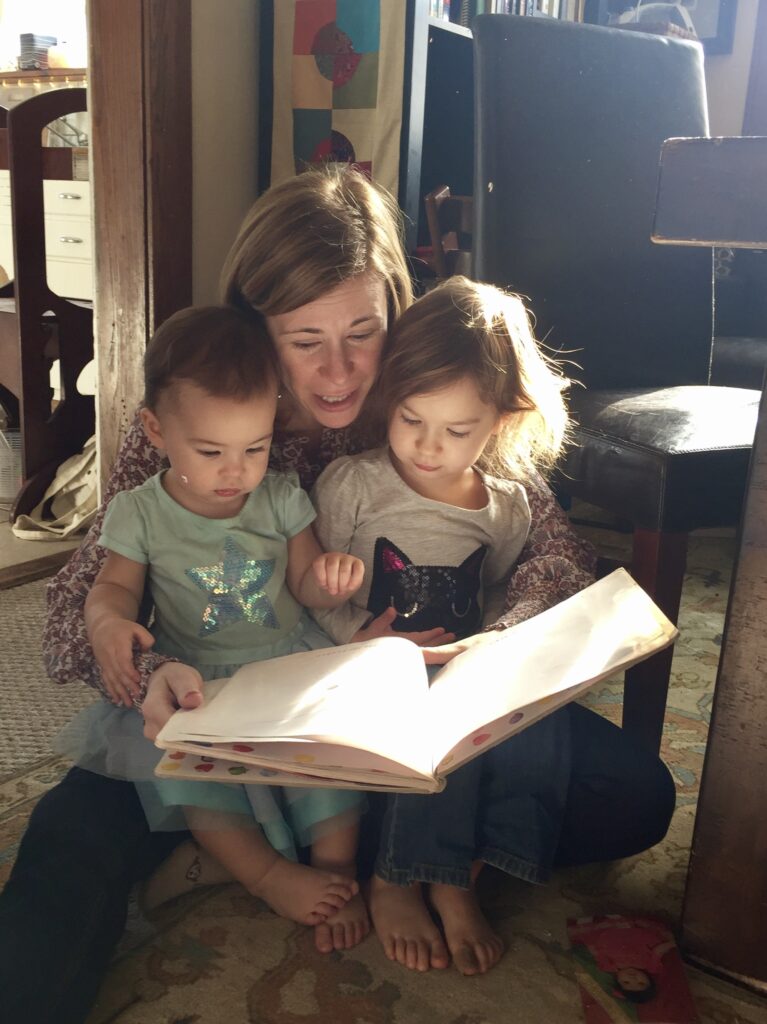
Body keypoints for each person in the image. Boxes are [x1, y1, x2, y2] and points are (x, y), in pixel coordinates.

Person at [0, 165, 675, 1024]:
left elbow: (552, 552)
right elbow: (79, 602)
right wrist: (138, 655)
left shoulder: (432, 391)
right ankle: (304, 853)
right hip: (221, 712)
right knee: (70, 848)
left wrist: (484, 647)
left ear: (399, 311)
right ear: (255, 330)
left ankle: (307, 855)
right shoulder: (203, 410)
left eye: (363, 331)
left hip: (404, 721)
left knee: (634, 797)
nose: (337, 371)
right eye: (301, 339)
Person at [71, 304, 369, 944]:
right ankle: (265, 877)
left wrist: (331, 577)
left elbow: (303, 578)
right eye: (211, 451)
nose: (236, 471)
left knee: (324, 766)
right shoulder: (139, 512)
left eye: (254, 447)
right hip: (196, 678)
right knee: (203, 793)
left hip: (286, 662)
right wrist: (106, 626)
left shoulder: (281, 496)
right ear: (155, 430)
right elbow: (113, 589)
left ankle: (337, 873)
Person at [310, 276, 569, 975]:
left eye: (456, 432)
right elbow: (311, 594)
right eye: (409, 419)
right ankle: (400, 877)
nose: (427, 448)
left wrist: (498, 647)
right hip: (371, 668)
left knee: (536, 731)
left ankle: (468, 873)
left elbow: (495, 595)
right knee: (428, 730)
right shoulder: (354, 485)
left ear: (500, 422)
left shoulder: (508, 508)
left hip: (465, 668)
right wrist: (352, 640)